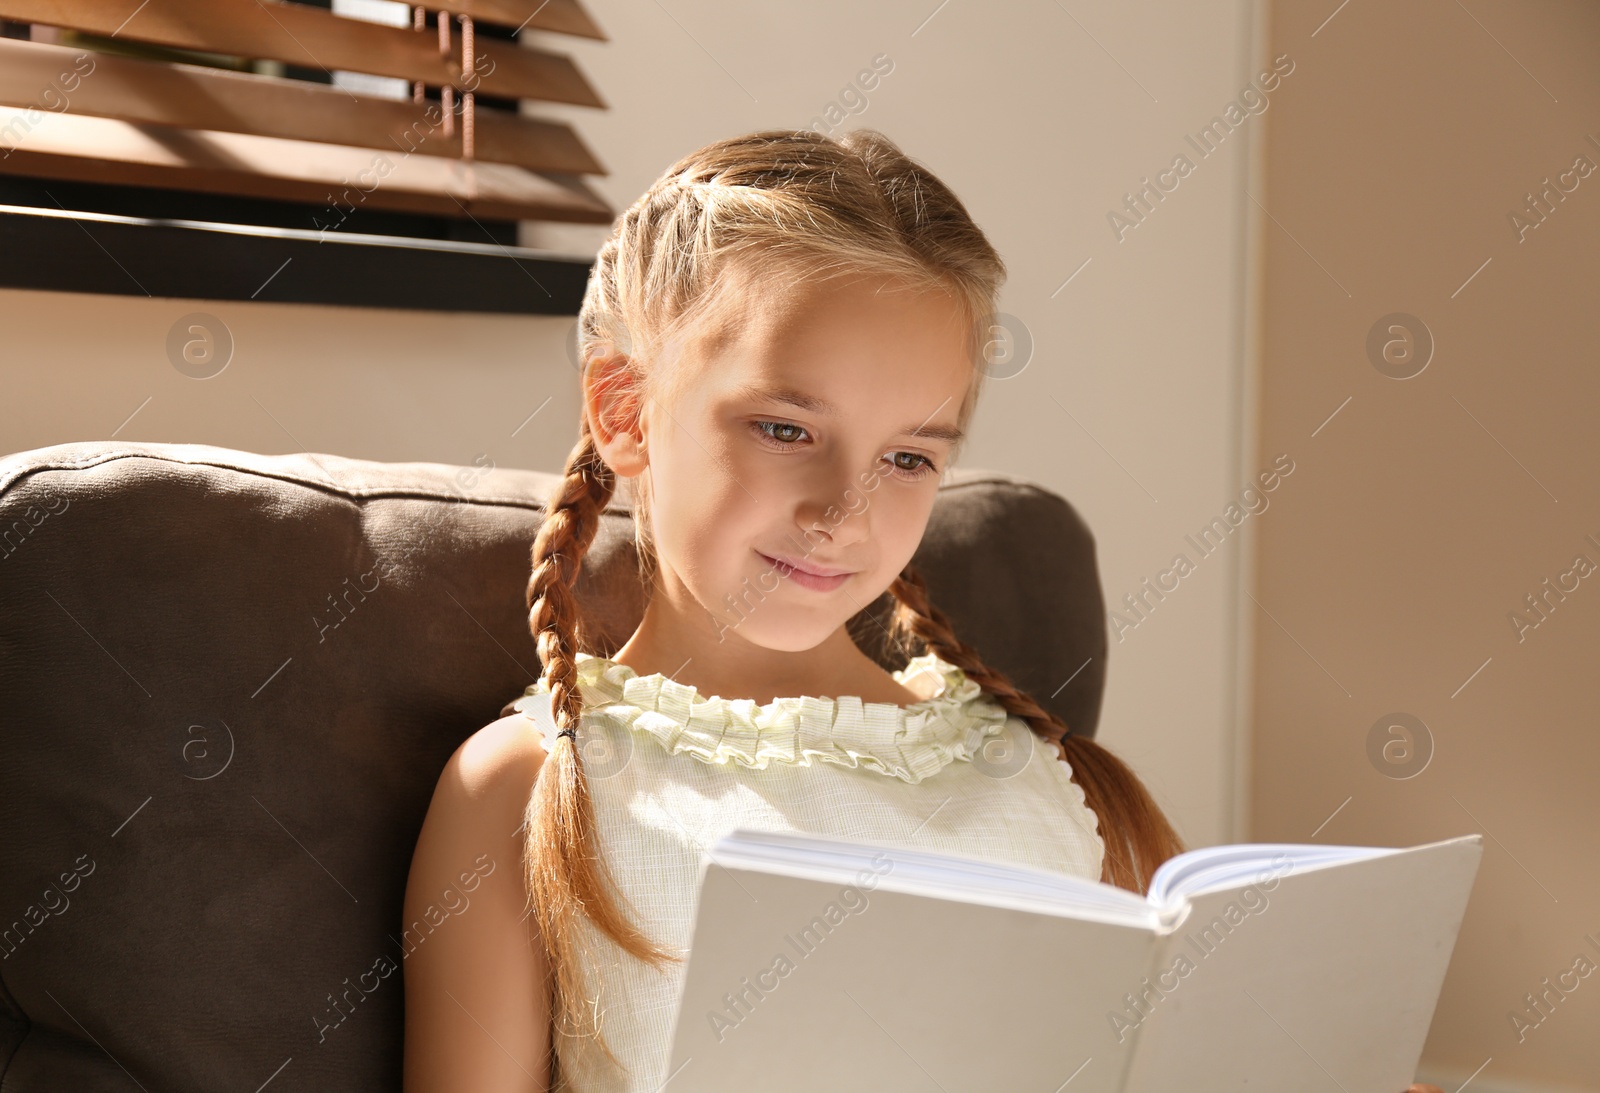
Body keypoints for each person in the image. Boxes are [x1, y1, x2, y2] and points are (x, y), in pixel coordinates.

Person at [400, 127, 1442, 1093]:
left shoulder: (1042, 779)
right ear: (624, 413)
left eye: (907, 456)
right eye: (784, 427)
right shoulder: (535, 787)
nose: (843, 510)